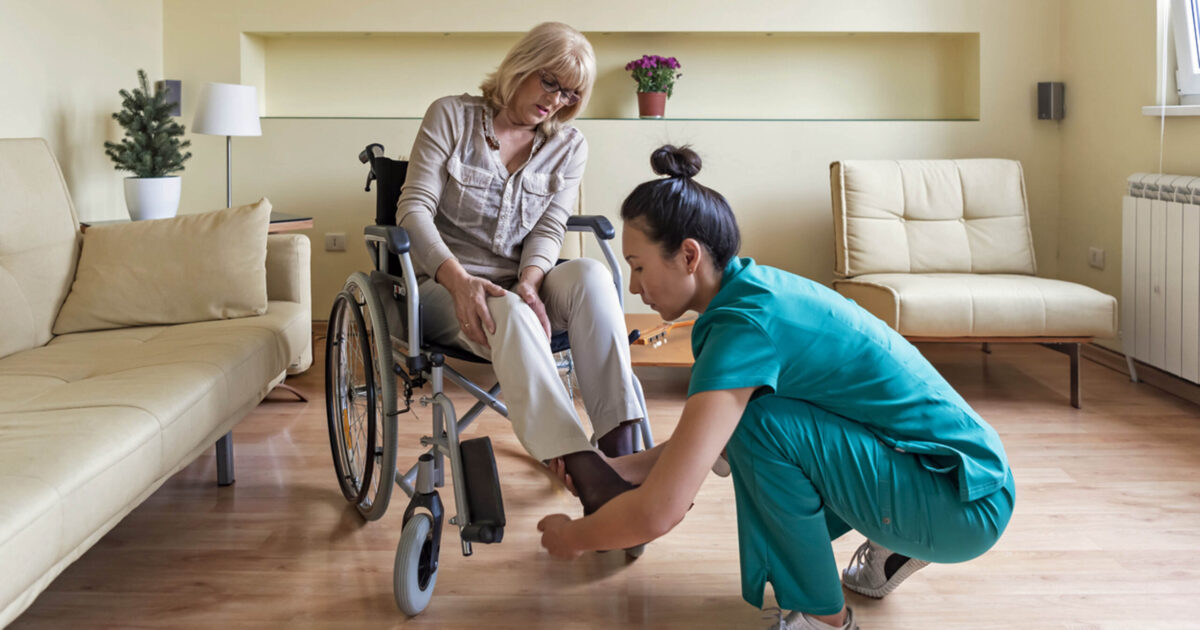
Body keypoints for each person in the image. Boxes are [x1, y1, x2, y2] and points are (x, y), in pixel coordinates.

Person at [538, 145, 1016, 629]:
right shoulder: (753, 292)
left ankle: (823, 617)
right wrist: (616, 466)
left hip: (959, 500)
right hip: (957, 475)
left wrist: (576, 537)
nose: (634, 287)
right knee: (752, 422)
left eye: (638, 266)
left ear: (688, 255)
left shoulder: (742, 331)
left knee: (757, 426)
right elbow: (701, 444)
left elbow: (662, 510)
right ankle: (894, 541)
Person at [396, 22, 639, 514]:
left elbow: (550, 228)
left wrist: (531, 281)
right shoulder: (451, 117)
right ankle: (583, 469)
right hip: (443, 285)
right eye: (550, 82)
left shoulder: (569, 146)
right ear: (521, 66)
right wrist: (459, 280)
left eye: (570, 93)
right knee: (502, 307)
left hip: (521, 280)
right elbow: (413, 211)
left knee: (591, 276)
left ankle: (620, 446)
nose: (556, 100)